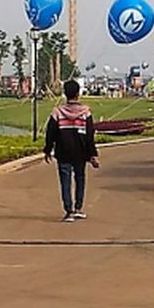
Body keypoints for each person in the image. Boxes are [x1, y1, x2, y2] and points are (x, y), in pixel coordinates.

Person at [45, 79, 100, 221]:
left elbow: (50, 132)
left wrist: (48, 150)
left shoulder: (57, 112)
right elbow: (90, 135)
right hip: (81, 153)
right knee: (80, 179)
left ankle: (69, 211)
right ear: (78, 94)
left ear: (65, 94)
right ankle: (78, 208)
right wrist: (92, 155)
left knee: (65, 181)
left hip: (63, 152)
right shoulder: (85, 113)